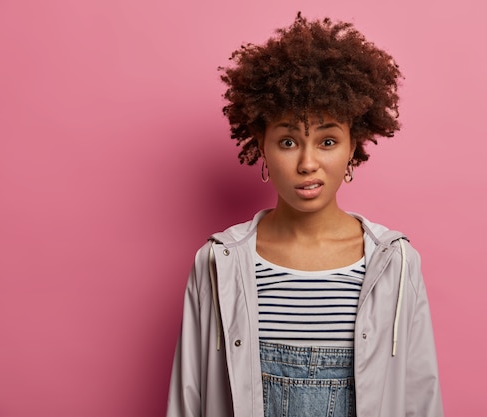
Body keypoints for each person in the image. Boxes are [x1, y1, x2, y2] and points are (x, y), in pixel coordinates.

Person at [166, 13, 443, 417]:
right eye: (289, 140)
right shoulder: (219, 262)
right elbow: (189, 397)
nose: (307, 162)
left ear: (353, 146)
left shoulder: (394, 262)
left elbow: (420, 396)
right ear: (261, 144)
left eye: (327, 140)